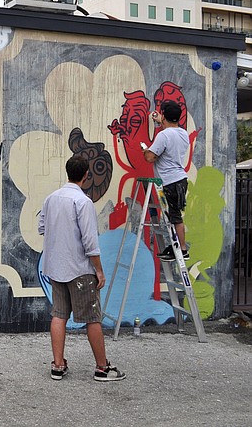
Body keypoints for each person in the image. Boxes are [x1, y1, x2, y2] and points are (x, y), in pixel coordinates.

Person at [38, 155, 126, 382]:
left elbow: (42, 227)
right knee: (92, 318)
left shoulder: (51, 199)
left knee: (59, 315)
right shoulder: (83, 202)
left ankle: (58, 365)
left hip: (55, 267)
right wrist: (99, 270)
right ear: (86, 175)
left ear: (67, 172)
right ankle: (102, 368)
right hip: (79, 269)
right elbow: (90, 241)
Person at [143, 101, 190, 260]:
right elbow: (171, 136)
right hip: (181, 179)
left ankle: (182, 249)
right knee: (175, 214)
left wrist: (145, 150)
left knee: (175, 216)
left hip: (170, 182)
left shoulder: (163, 136)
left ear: (164, 115)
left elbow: (150, 157)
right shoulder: (183, 133)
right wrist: (160, 121)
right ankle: (179, 247)